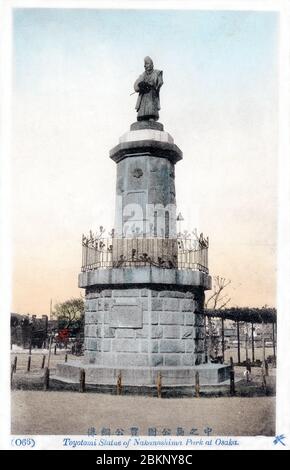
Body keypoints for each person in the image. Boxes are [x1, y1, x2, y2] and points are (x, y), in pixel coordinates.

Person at [134, 56, 163, 121]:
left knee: (151, 114)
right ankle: (142, 117)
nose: (145, 66)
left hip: (152, 96)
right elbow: (135, 86)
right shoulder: (143, 75)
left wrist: (151, 84)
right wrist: (140, 86)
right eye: (145, 64)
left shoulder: (157, 73)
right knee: (141, 117)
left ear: (152, 64)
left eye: (147, 64)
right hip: (143, 97)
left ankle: (151, 116)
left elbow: (159, 83)